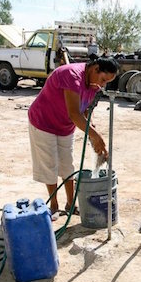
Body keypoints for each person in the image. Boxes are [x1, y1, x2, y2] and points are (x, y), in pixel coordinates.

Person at [27, 56, 119, 217]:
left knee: (67, 165)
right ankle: (53, 206)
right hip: (43, 122)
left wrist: (91, 129)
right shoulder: (72, 75)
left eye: (106, 82)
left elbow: (83, 109)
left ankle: (70, 204)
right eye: (103, 79)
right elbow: (75, 114)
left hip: (65, 126)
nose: (102, 85)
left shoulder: (93, 84)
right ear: (95, 68)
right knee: (50, 164)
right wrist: (96, 136)